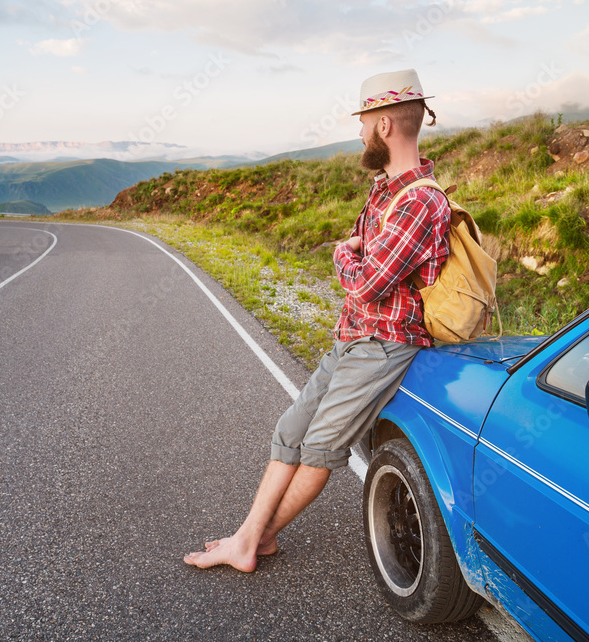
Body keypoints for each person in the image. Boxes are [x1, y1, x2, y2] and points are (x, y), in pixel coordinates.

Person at [184, 69, 450, 572]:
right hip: (353, 336)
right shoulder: (386, 191)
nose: (358, 132)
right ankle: (252, 538)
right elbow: (366, 256)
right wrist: (356, 252)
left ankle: (250, 541)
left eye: (364, 121)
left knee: (322, 447)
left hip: (384, 342)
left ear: (386, 125)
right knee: (290, 430)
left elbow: (368, 281)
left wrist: (341, 257)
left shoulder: (420, 201)